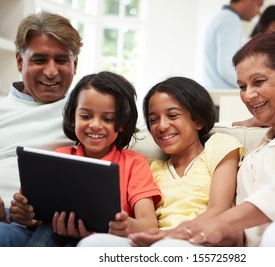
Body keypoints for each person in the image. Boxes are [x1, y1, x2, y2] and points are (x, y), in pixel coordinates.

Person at [131, 32, 275, 247]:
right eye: (242, 86)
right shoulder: (255, 153)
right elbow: (249, 231)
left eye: (259, 82)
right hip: (273, 248)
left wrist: (211, 225)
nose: (249, 95)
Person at [77, 76, 244, 247]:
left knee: (168, 247)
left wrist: (168, 235)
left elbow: (219, 209)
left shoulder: (219, 145)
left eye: (172, 115)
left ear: (198, 120)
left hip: (203, 239)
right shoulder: (149, 166)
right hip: (153, 242)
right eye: (153, 120)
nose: (162, 126)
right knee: (94, 244)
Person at [9, 71, 162, 246]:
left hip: (102, 242)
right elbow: (32, 211)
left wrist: (128, 226)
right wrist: (23, 214)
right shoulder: (58, 157)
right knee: (48, 226)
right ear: (73, 117)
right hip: (53, 233)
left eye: (107, 118)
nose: (95, 125)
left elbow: (149, 223)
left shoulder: (135, 164)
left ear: (122, 123)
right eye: (85, 116)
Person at [0, 11, 82, 246]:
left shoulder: (89, 113)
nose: (51, 71)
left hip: (55, 226)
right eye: (39, 59)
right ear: (19, 61)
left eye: (62, 60)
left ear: (75, 64)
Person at [203, 0, 270, 90]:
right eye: (258, 5)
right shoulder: (230, 19)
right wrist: (255, 86)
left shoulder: (223, 17)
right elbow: (226, 68)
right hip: (223, 97)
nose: (258, 12)